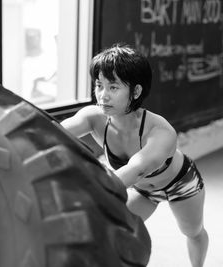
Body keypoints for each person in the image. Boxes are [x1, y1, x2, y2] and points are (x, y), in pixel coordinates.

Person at [61, 44, 208, 267]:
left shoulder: (161, 131)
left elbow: (137, 168)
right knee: (109, 232)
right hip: (143, 190)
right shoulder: (93, 117)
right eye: (99, 85)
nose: (103, 95)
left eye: (113, 87)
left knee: (192, 231)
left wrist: (89, 193)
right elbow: (52, 131)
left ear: (136, 92)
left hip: (181, 183)